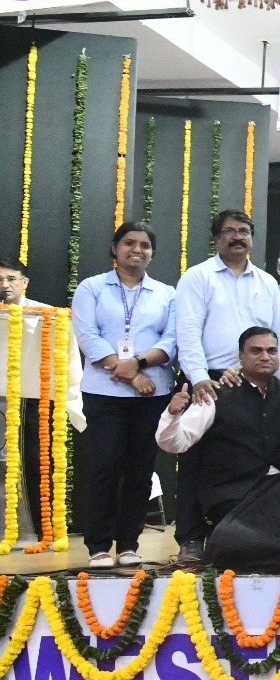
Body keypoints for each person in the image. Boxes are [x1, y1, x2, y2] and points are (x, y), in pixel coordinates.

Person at [172, 209, 280, 562]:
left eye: (244, 230)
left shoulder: (267, 282)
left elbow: (279, 335)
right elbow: (188, 331)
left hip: (256, 380)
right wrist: (198, 379)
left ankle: (239, 532)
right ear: (216, 238)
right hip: (208, 379)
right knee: (194, 460)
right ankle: (190, 537)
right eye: (229, 231)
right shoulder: (197, 277)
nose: (237, 236)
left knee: (245, 460)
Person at [155, 328, 280, 541]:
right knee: (255, 536)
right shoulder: (215, 394)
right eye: (256, 351)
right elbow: (175, 444)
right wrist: (172, 414)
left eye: (272, 351)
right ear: (241, 356)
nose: (265, 357)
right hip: (229, 494)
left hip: (277, 489)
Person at [72, 223, 175, 568]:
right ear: (115, 248)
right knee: (105, 467)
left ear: (152, 253)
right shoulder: (92, 288)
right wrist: (131, 375)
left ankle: (129, 544)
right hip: (105, 392)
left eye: (145, 245)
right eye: (129, 242)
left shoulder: (166, 293)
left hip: (153, 395)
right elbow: (88, 336)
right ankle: (99, 546)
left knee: (140, 470)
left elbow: (171, 339)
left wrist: (139, 363)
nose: (137, 249)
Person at [0, 260, 85, 546]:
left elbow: (68, 358)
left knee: (35, 462)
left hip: (33, 399)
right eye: (0, 280)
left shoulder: (47, 316)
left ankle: (37, 532)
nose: (5, 285)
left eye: (11, 279)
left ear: (24, 282)